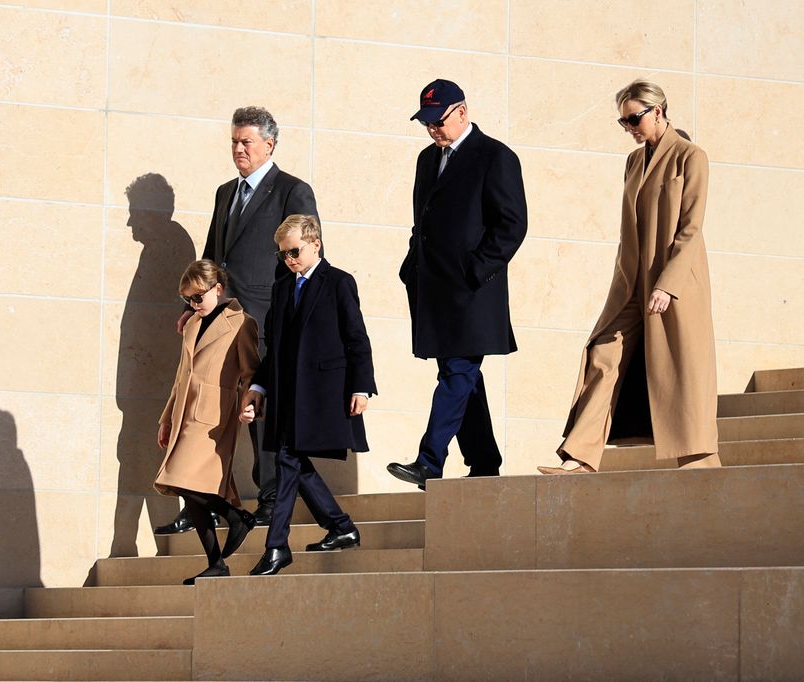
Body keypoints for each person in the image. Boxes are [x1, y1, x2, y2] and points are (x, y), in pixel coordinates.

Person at [538, 80, 719, 474]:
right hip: (632, 283)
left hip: (676, 284)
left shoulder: (691, 157)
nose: (629, 128)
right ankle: (581, 456)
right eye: (622, 122)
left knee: (681, 368)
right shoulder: (634, 162)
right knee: (604, 353)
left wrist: (668, 284)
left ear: (658, 110)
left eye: (633, 118)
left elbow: (691, 228)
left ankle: (700, 460)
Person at [156, 106, 318, 535]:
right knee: (208, 411)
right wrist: (191, 306)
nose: (239, 149)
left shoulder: (292, 191)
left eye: (246, 141)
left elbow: (304, 259)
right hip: (221, 320)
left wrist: (294, 317)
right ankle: (202, 499)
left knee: (257, 408)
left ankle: (268, 497)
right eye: (234, 141)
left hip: (264, 320)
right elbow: (212, 256)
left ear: (270, 144)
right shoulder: (225, 192)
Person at [387, 78, 527, 490]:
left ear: (462, 112)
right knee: (462, 375)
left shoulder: (495, 157)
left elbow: (512, 224)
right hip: (433, 290)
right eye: (426, 122)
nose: (432, 129)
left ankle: (429, 460)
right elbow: (423, 223)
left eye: (439, 120)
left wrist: (475, 270)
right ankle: (484, 461)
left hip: (471, 293)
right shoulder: (427, 160)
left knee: (457, 372)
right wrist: (411, 266)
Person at [241, 214, 377, 576]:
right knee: (293, 462)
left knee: (288, 460)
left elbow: (356, 338)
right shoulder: (283, 288)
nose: (289, 259)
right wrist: (258, 387)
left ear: (315, 242)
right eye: (282, 254)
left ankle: (276, 547)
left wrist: (362, 387)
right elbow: (275, 347)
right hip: (287, 395)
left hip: (322, 393)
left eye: (294, 251)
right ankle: (341, 527)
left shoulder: (339, 282)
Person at [155, 260, 260, 584]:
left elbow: (251, 371)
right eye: (188, 299)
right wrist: (166, 418)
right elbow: (180, 376)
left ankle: (237, 517)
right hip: (185, 413)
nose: (194, 304)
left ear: (218, 288)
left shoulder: (241, 323)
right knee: (187, 487)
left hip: (213, 415)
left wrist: (251, 404)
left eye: (198, 297)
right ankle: (217, 561)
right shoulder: (191, 324)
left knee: (184, 479)